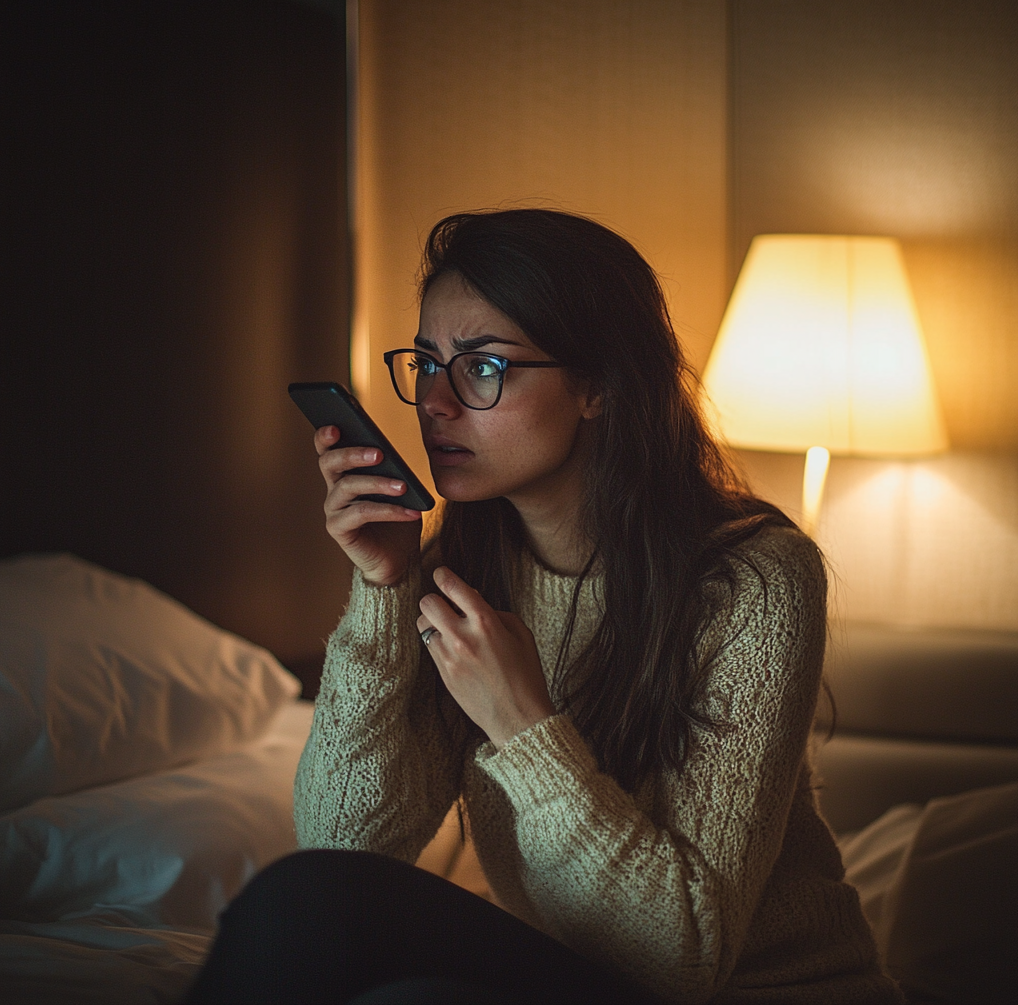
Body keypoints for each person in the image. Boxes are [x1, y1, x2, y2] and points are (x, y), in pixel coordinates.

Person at [185, 210, 902, 1005]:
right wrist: (383, 590)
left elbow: (683, 962)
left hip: (748, 992)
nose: (436, 402)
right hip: (576, 976)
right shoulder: (459, 576)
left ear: (598, 385)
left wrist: (525, 728)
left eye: (484, 366)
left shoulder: (753, 583)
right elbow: (347, 844)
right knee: (330, 921)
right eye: (427, 362)